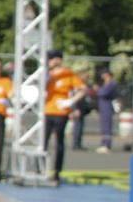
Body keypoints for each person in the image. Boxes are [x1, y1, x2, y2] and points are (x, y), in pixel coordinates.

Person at [44, 51, 86, 185]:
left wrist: (71, 101)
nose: (50, 62)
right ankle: (41, 169)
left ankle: (57, 171)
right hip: (46, 111)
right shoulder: (47, 74)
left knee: (59, 142)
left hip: (61, 112)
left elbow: (82, 89)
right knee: (43, 141)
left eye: (52, 59)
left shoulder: (68, 74)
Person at [95, 69, 118, 152]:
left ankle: (107, 144)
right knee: (103, 126)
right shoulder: (105, 83)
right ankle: (103, 143)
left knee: (107, 125)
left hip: (107, 106)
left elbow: (103, 93)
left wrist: (98, 90)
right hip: (102, 106)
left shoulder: (112, 83)